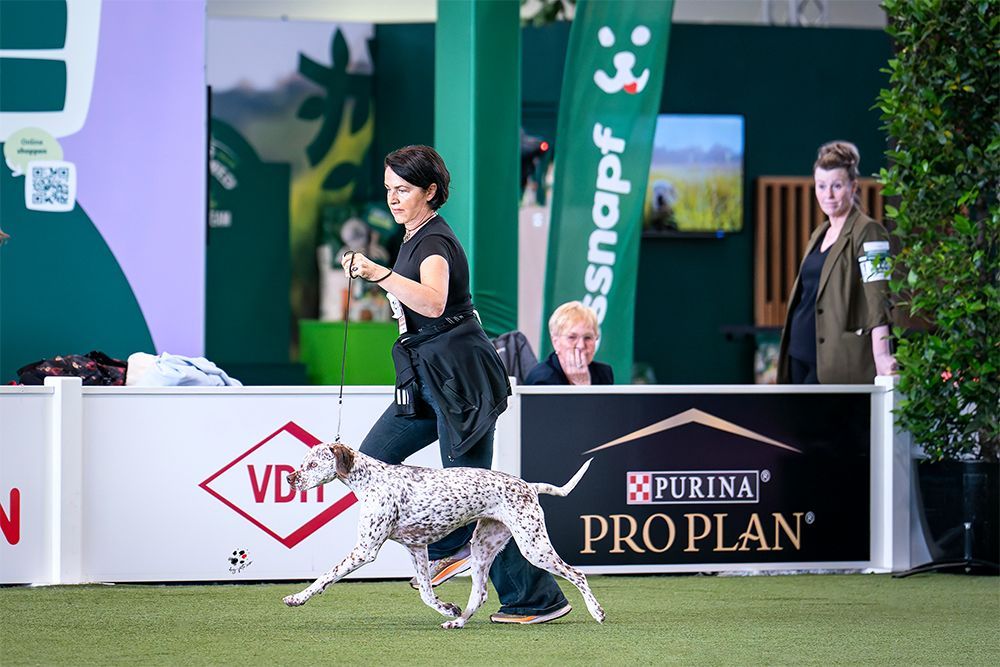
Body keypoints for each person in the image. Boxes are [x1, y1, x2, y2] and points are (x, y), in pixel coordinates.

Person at [340, 145, 572, 625]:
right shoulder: (412, 236)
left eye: (403, 190)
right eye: (388, 190)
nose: (393, 199)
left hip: (461, 381)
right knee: (370, 460)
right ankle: (449, 547)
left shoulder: (434, 243)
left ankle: (533, 597)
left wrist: (379, 273)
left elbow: (433, 301)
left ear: (430, 191)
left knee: (478, 495)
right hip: (428, 378)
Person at [777, 141, 895, 384]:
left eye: (837, 186)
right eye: (821, 186)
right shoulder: (819, 232)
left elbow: (878, 296)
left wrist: (882, 354)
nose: (828, 195)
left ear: (853, 188)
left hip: (836, 363)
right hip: (797, 354)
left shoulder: (870, 231)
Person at [525, 301, 614, 385]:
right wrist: (583, 388)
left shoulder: (604, 374)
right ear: (555, 342)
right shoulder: (542, 380)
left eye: (588, 337)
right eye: (572, 337)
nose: (581, 346)